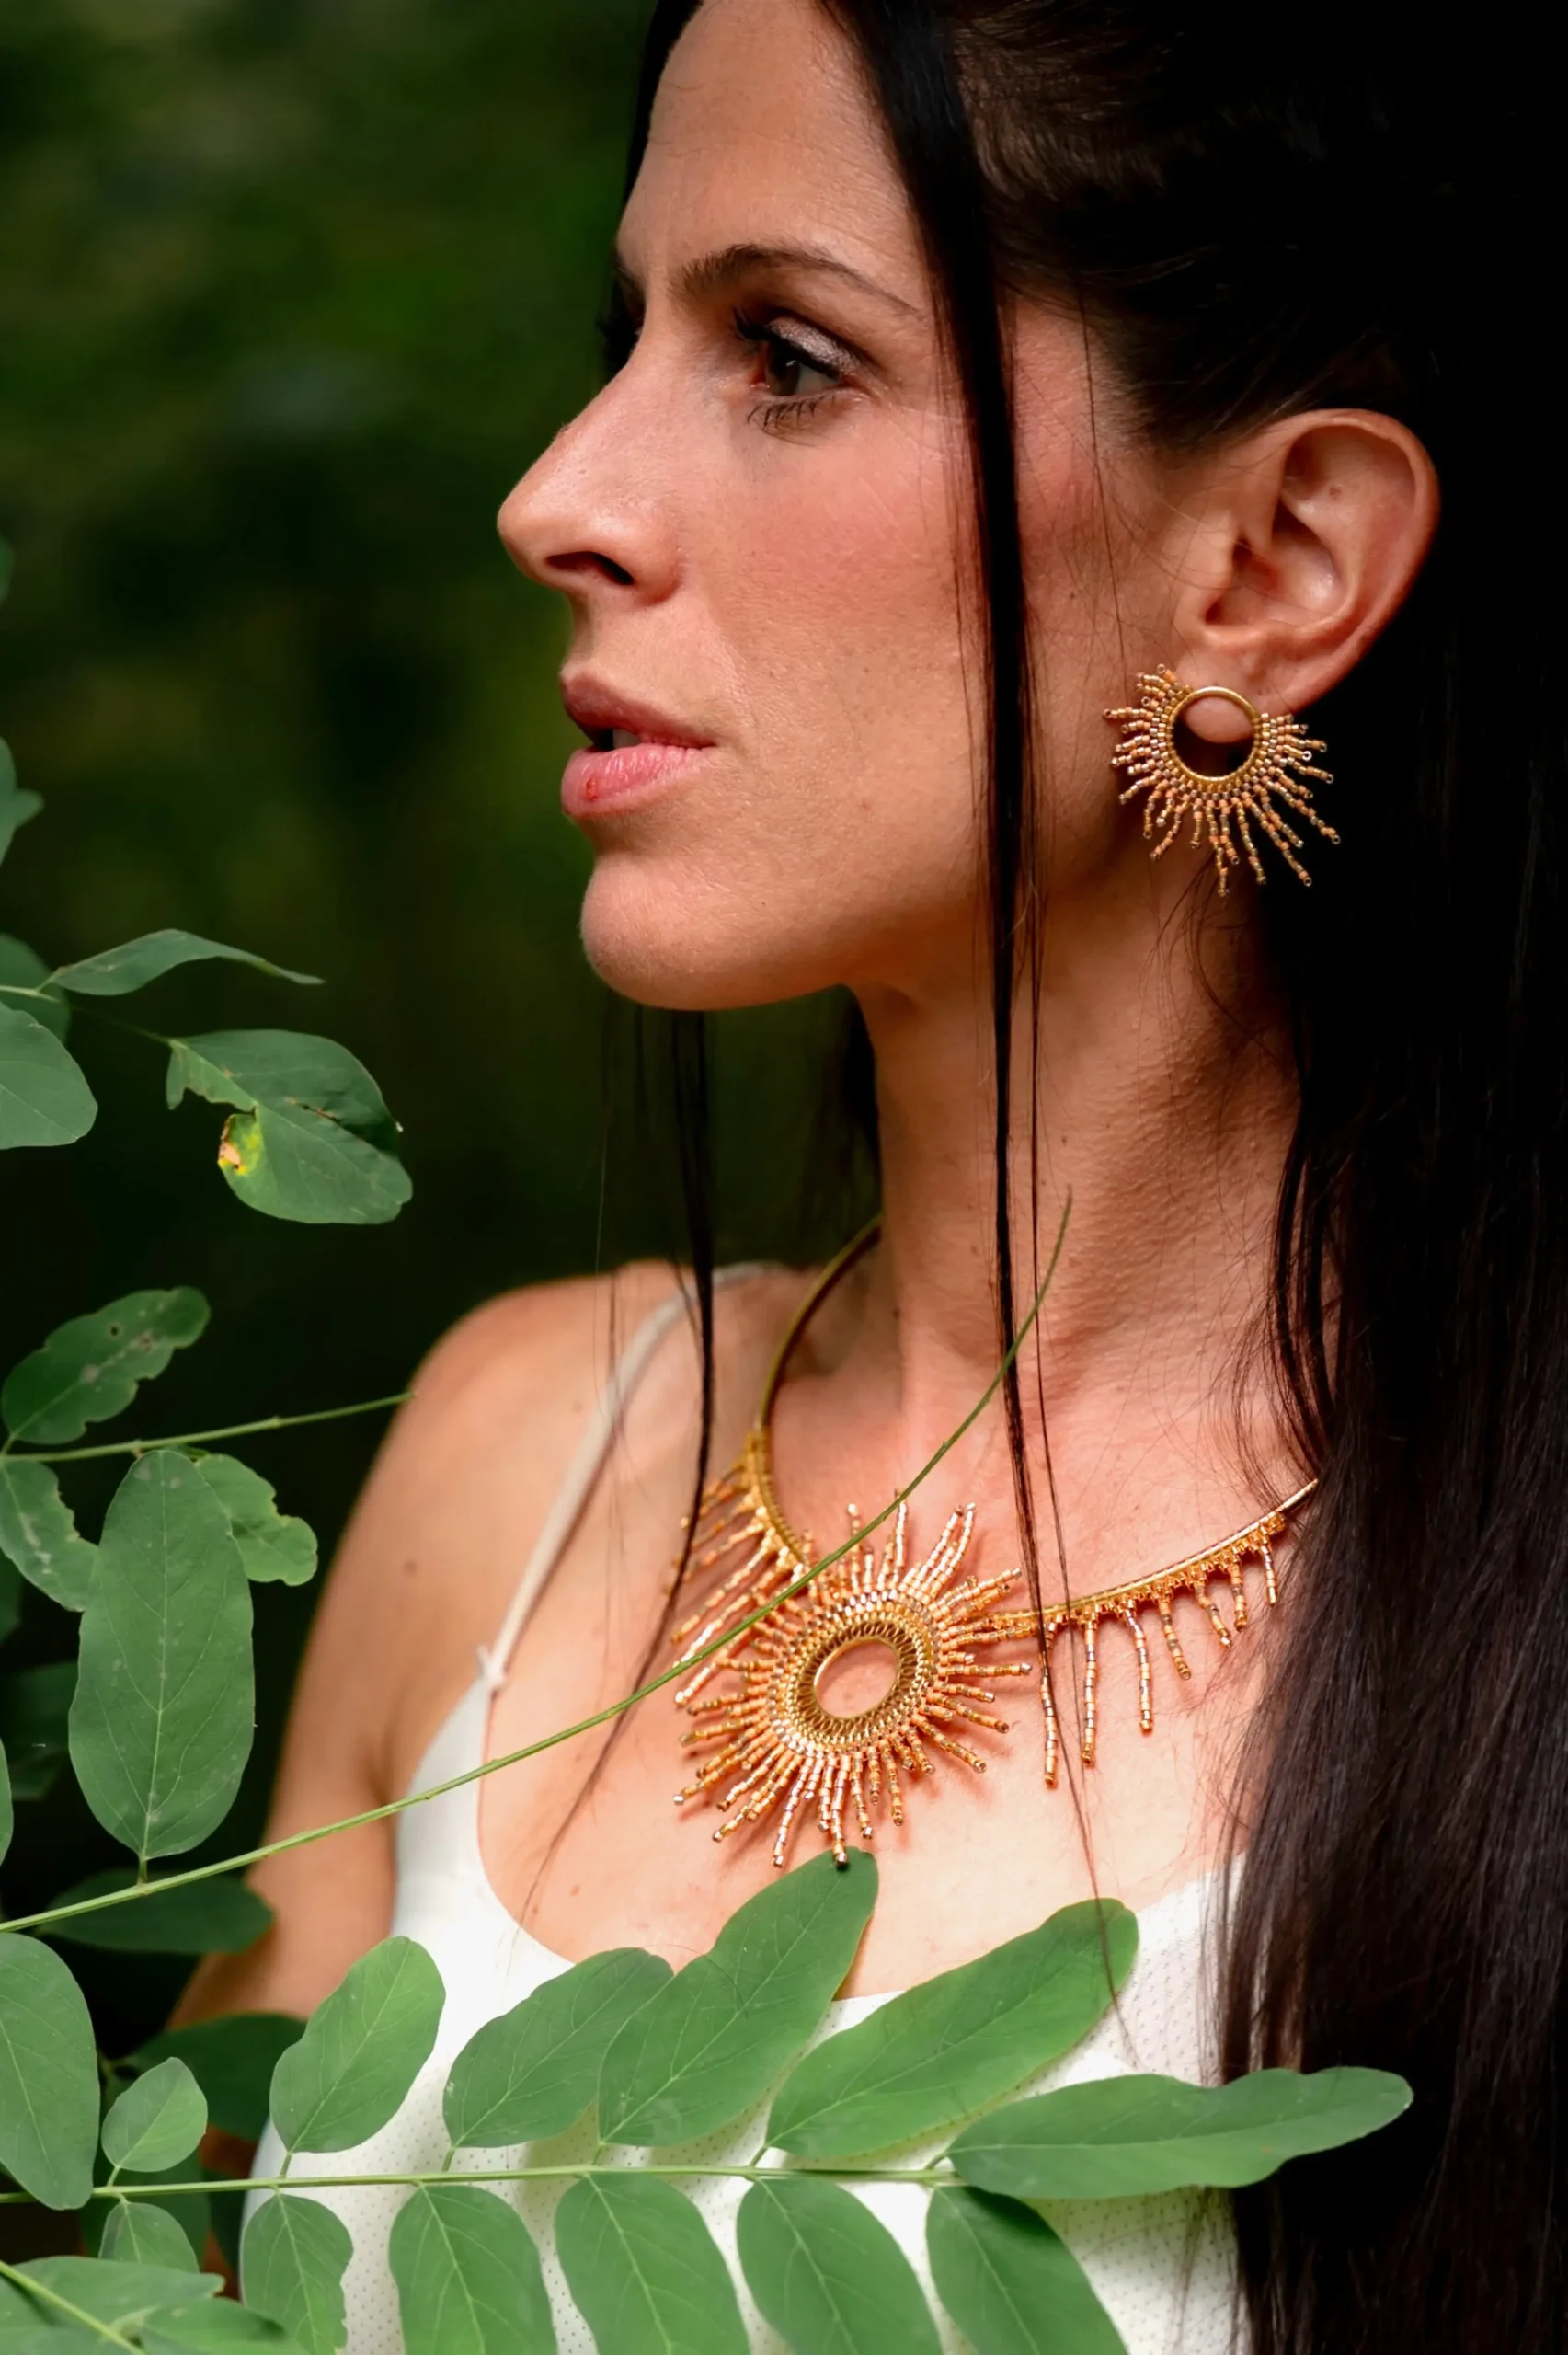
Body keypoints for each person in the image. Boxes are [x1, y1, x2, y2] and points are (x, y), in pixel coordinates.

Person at [180, 2, 1567, 2347]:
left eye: (789, 358)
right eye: (628, 334)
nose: (560, 496)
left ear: (1273, 559)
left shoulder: (1509, 1615)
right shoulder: (518, 1449)